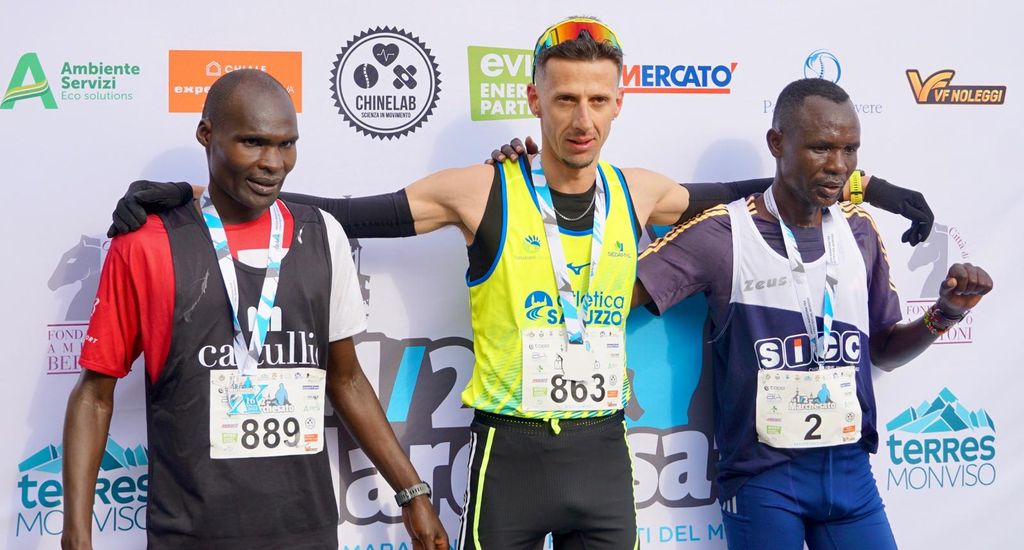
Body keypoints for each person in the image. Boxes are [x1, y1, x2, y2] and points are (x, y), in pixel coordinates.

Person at [103, 17, 936, 550]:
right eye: (564, 98)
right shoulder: (480, 190)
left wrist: (879, 189)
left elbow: (776, 185)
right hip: (510, 454)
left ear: (619, 104)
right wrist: (193, 197)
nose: (581, 118)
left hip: (602, 456)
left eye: (598, 99)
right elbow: (351, 214)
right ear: (534, 98)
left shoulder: (642, 194)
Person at [60, 70, 448, 550]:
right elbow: (94, 396)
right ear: (206, 134)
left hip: (306, 533)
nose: (273, 163)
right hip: (191, 535)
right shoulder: (144, 245)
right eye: (253, 142)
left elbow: (346, 380)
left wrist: (412, 493)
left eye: (287, 145)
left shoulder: (323, 235)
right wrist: (76, 535)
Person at [633, 78, 993, 549]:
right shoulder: (724, 233)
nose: (839, 165)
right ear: (777, 143)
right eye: (821, 148)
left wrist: (944, 314)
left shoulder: (859, 230)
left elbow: (883, 350)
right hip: (763, 478)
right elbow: (615, 294)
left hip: (850, 473)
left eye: (850, 150)